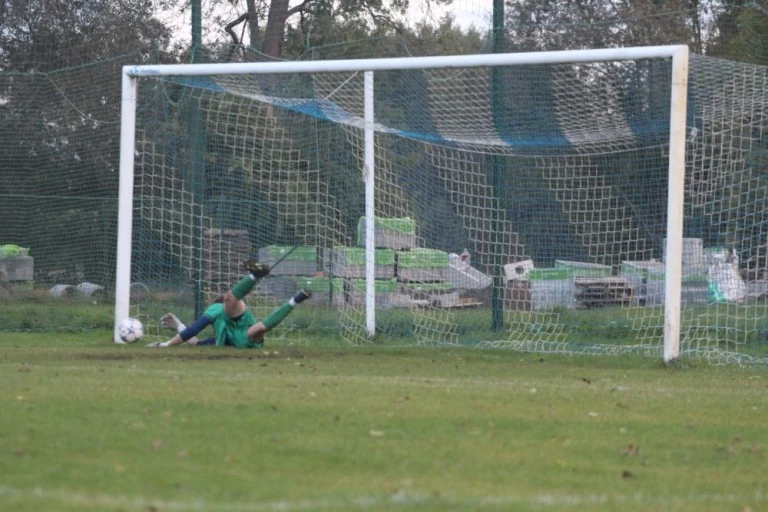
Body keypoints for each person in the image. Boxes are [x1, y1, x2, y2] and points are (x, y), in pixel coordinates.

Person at [146, 259, 311, 348]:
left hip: (245, 332)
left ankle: (256, 276)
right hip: (246, 342)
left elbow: (193, 330)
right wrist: (178, 325)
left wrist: (166, 344)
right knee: (257, 328)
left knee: (249, 321)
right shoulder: (218, 340)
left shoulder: (216, 310)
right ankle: (293, 300)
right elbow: (193, 340)